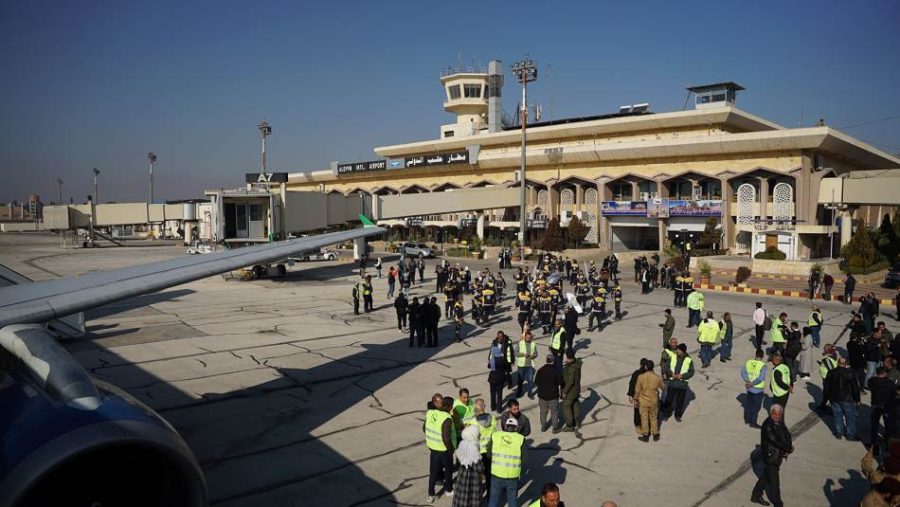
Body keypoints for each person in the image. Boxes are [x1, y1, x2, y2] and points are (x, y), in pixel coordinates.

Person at [750, 404, 792, 507]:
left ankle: (755, 496)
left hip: (777, 456)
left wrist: (789, 445)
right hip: (770, 458)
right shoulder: (767, 425)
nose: (776, 416)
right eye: (774, 414)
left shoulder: (780, 422)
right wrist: (787, 448)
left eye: (779, 414)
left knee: (766, 477)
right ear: (770, 413)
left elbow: (787, 434)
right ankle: (778, 504)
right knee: (774, 484)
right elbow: (774, 440)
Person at [487, 418, 525, 507]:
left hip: (496, 474)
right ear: (516, 427)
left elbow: (488, 454)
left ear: (505, 426)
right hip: (512, 476)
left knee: (494, 499)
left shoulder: (495, 436)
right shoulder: (520, 439)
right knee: (512, 499)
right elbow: (526, 459)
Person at [424, 394, 455, 503]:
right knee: (448, 470)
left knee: (433, 472)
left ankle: (431, 494)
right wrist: (450, 449)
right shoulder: (446, 418)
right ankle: (449, 490)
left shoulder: (430, 413)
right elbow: (446, 438)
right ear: (449, 406)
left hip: (433, 448)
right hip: (443, 450)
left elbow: (424, 428)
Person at [826, 356, 860, 440]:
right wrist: (857, 399)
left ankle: (839, 433)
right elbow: (855, 388)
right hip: (847, 399)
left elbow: (827, 386)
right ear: (846, 364)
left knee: (838, 416)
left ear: (838, 363)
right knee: (850, 417)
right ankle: (850, 434)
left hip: (835, 398)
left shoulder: (831, 372)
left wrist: (829, 397)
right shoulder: (850, 373)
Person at [468, 399, 496, 497]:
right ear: (484, 406)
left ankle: (477, 495)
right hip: (489, 450)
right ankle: (490, 494)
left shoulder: (472, 422)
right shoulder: (492, 418)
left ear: (475, 408)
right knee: (489, 474)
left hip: (478, 452)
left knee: (477, 475)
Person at [452, 425, 483, 507]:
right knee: (472, 494)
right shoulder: (474, 447)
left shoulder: (462, 443)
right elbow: (479, 467)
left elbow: (459, 460)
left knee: (461, 491)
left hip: (462, 473)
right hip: (473, 476)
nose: (479, 435)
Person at [661, 343, 694, 422]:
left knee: (680, 401)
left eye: (678, 350)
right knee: (668, 400)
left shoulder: (689, 360)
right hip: (672, 383)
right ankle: (666, 414)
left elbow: (691, 372)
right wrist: (670, 374)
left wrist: (682, 376)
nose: (676, 351)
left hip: (682, 385)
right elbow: (667, 367)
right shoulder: (673, 357)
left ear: (682, 351)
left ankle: (678, 415)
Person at [634, 359, 664, 442]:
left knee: (644, 418)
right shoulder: (657, 377)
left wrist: (636, 399)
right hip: (653, 400)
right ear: (653, 367)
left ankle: (646, 435)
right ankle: (655, 434)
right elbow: (663, 387)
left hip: (643, 401)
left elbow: (637, 390)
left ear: (646, 367)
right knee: (653, 417)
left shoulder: (641, 377)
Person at [868, 366, 896, 449]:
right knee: (888, 425)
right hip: (887, 405)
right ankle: (888, 443)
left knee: (874, 425)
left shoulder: (872, 381)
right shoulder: (890, 383)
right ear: (885, 373)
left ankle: (874, 443)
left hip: (875, 404)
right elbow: (894, 393)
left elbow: (870, 385)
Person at [536, 354, 564, 433]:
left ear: (546, 360)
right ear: (553, 361)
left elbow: (536, 382)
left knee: (543, 412)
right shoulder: (556, 371)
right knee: (554, 412)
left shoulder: (540, 370)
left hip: (542, 396)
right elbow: (561, 382)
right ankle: (555, 428)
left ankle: (543, 426)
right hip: (553, 396)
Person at [488, 332, 513, 413]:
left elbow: (489, 366)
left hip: (492, 378)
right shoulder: (503, 360)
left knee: (492, 393)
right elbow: (506, 367)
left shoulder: (493, 361)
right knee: (499, 394)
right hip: (501, 378)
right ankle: (499, 409)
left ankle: (493, 407)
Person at [742, 348, 768, 427]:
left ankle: (747, 419)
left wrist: (748, 381)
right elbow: (760, 378)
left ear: (755, 354)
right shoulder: (763, 365)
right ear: (762, 356)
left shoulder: (749, 362)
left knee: (749, 404)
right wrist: (752, 384)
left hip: (749, 388)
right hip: (758, 389)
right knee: (756, 407)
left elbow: (743, 372)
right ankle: (753, 422)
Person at [561, 350, 582, 432]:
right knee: (575, 405)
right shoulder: (577, 364)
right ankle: (577, 422)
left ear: (567, 356)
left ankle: (569, 425)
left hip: (570, 392)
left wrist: (564, 392)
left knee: (566, 407)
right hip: (576, 390)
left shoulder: (571, 368)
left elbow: (570, 381)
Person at [627, 358, 649, 435]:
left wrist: (630, 396)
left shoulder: (636, 373)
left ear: (640, 364)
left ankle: (638, 426)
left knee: (637, 412)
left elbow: (631, 384)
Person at [515, 331, 538, 398]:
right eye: (527, 337)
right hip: (521, 365)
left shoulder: (533, 344)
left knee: (530, 380)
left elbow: (536, 353)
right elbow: (515, 353)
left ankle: (530, 394)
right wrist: (523, 354)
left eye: (529, 338)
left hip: (530, 365)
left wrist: (533, 356)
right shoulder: (520, 343)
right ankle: (519, 393)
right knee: (520, 380)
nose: (528, 339)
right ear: (525, 337)